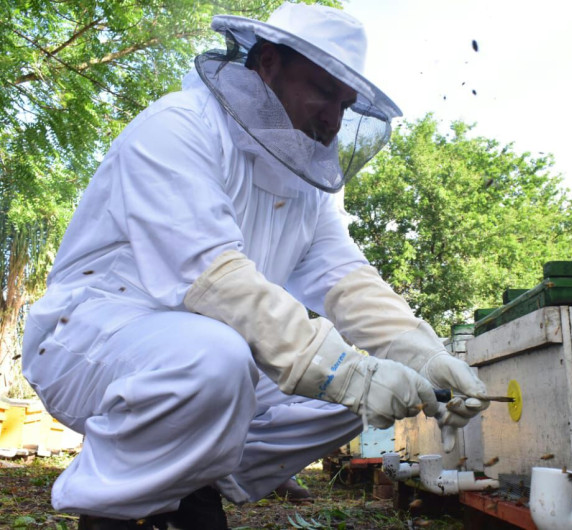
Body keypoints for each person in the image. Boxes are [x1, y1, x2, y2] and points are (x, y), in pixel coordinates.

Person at [21, 3, 490, 529]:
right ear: (268, 64)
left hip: (208, 351)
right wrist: (346, 372)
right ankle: (116, 512)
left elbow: (345, 278)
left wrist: (421, 354)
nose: (335, 118)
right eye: (324, 91)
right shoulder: (179, 128)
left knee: (365, 393)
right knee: (224, 358)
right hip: (92, 338)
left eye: (345, 102)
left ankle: (191, 479)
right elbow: (214, 278)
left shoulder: (307, 185)